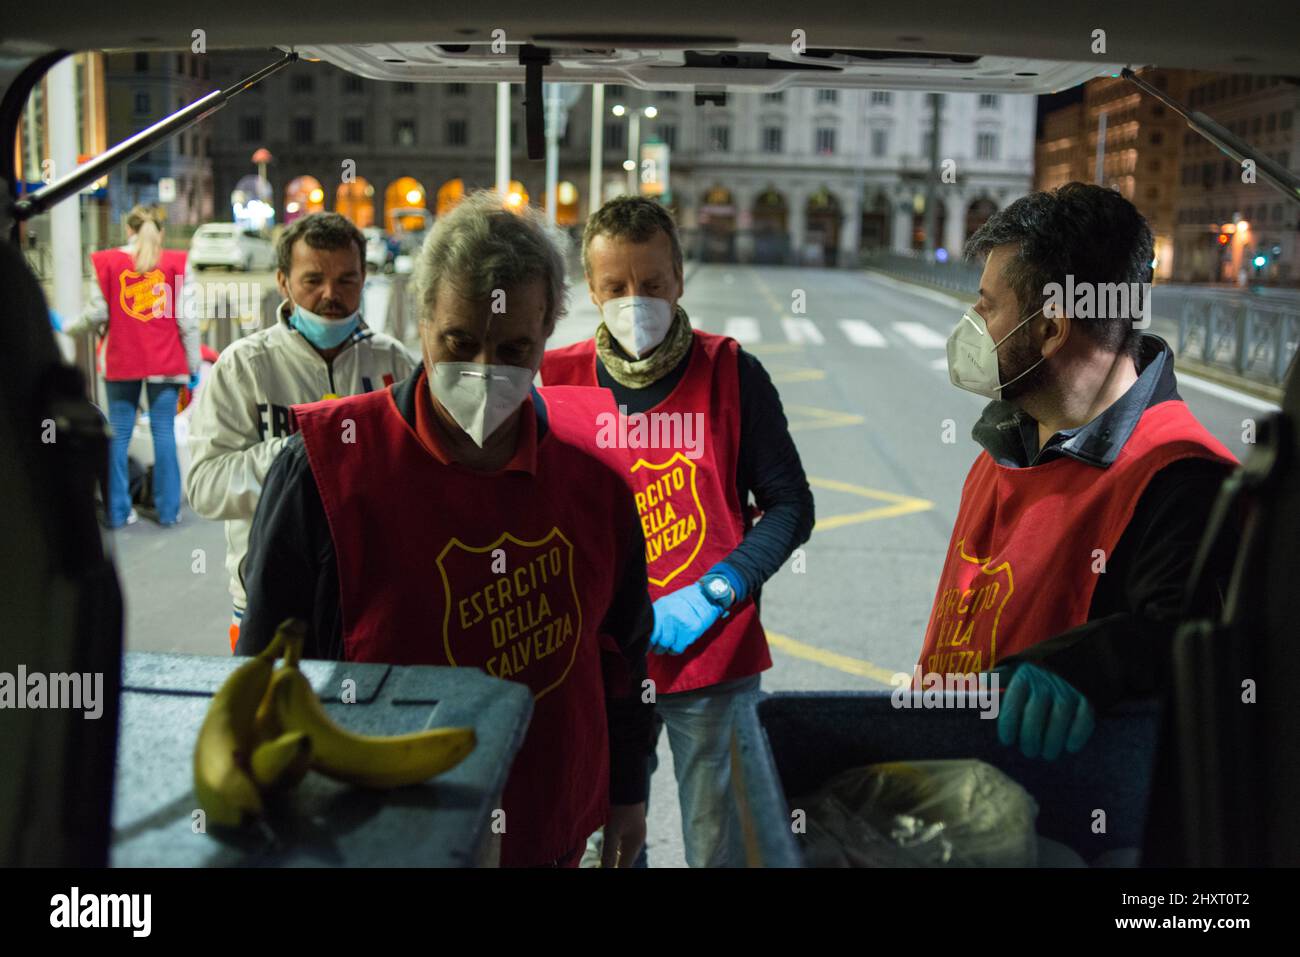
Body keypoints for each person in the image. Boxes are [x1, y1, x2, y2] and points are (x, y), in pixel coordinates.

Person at [236, 191, 656, 869]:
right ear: (421, 320)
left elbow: (624, 655)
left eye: (515, 347)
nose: (485, 370)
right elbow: (265, 674)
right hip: (376, 834)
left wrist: (628, 789)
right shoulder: (326, 464)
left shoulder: (593, 486)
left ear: (547, 334)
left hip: (546, 829)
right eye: (460, 341)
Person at [541, 196, 815, 867]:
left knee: (722, 846)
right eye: (616, 287)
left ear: (680, 278)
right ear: (592, 289)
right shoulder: (557, 380)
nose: (636, 301)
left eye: (653, 284)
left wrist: (719, 589)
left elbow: (790, 505)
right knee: (601, 840)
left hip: (711, 652)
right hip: (599, 660)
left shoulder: (731, 373)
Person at [923, 182, 1239, 760]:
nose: (971, 320)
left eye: (988, 304)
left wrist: (1092, 662)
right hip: (960, 789)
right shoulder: (1005, 441)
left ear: (1050, 328)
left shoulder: (1184, 480)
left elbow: (1205, 648)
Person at [186, 212, 415, 652]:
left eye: (347, 280)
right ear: (283, 282)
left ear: (365, 278)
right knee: (273, 718)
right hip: (272, 602)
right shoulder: (244, 367)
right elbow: (204, 485)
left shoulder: (394, 364)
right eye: (313, 280)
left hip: (372, 600)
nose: (331, 295)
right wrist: (305, 453)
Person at [60, 204, 198, 528]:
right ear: (160, 232)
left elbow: (97, 316)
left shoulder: (106, 262)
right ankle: (167, 511)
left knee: (119, 434)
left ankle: (119, 512)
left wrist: (67, 327)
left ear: (128, 229)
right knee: (163, 431)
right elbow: (187, 320)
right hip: (166, 361)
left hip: (121, 359)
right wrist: (192, 365)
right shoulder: (177, 262)